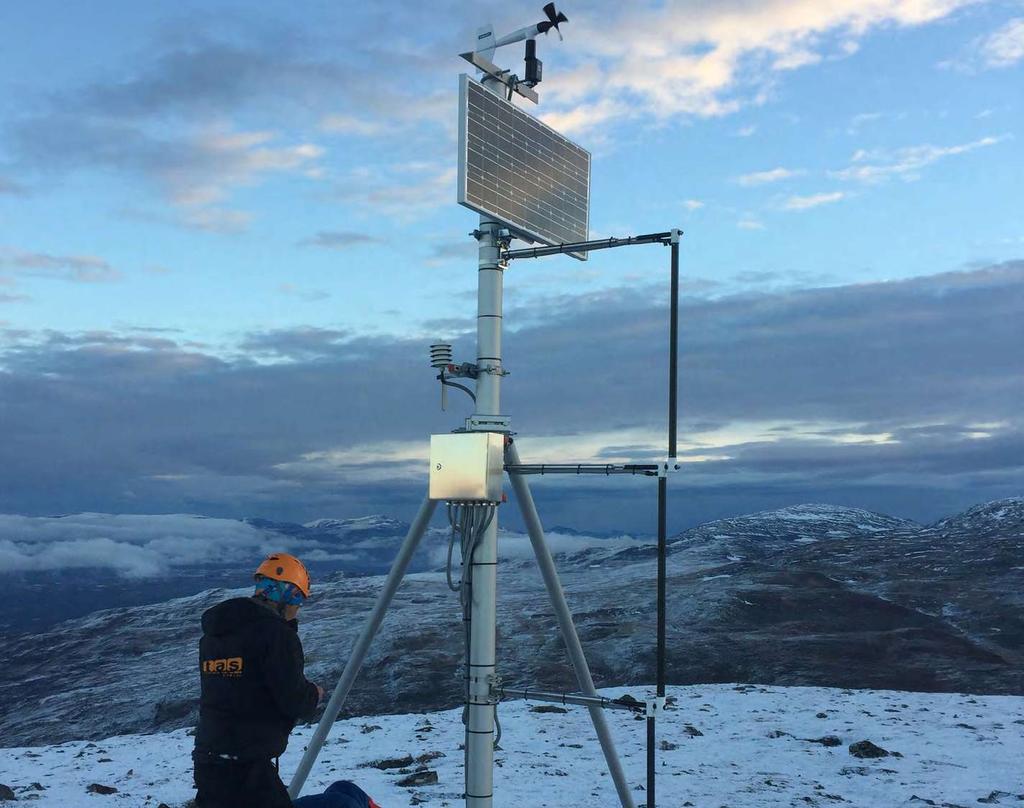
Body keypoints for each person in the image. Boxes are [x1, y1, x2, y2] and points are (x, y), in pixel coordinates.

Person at [193, 552, 382, 808]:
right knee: (344, 802)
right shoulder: (277, 634)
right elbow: (294, 701)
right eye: (299, 600)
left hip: (210, 765)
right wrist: (314, 694)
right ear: (288, 596)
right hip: (248, 771)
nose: (297, 609)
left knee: (345, 791)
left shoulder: (213, 636)